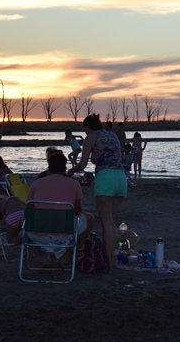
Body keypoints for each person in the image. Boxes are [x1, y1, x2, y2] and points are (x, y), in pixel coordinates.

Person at [67, 114, 126, 270]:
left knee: (106, 223)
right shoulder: (112, 135)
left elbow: (83, 164)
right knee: (112, 221)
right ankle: (112, 258)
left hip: (106, 177)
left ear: (87, 127)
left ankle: (109, 261)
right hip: (121, 177)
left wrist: (70, 172)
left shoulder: (91, 137)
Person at [30, 151, 95, 256]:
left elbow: (29, 210)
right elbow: (77, 212)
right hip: (65, 234)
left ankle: (41, 256)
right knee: (90, 218)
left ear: (49, 167)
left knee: (27, 224)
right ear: (64, 167)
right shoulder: (74, 184)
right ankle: (69, 255)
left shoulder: (35, 184)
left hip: (38, 233)